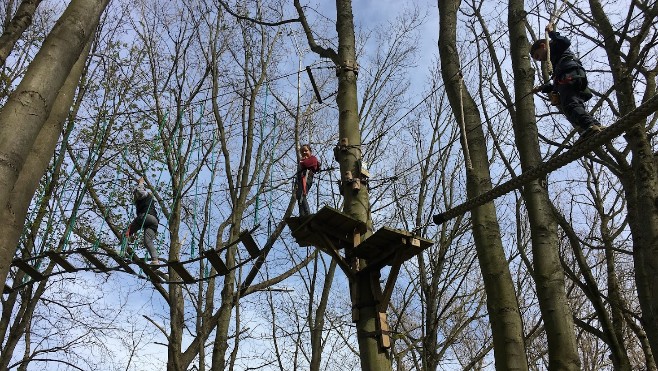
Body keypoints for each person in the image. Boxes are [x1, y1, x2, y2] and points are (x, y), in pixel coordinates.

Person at [530, 23, 602, 138]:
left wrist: (552, 33)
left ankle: (590, 126)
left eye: (538, 56)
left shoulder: (555, 46)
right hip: (570, 77)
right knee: (573, 106)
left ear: (543, 46)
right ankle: (595, 125)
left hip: (570, 75)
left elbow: (565, 42)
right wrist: (541, 88)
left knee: (570, 105)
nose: (540, 60)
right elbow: (556, 83)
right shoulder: (555, 61)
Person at [125, 177, 160, 264]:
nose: (135, 196)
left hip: (145, 217)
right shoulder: (149, 199)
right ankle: (155, 260)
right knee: (147, 241)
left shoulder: (144, 195)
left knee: (126, 232)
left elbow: (140, 191)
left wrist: (140, 183)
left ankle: (122, 251)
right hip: (154, 221)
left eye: (135, 194)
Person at [294, 144, 320, 216]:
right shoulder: (303, 160)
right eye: (302, 152)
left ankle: (307, 214)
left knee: (301, 194)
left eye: (306, 151)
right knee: (299, 197)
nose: (304, 152)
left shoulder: (313, 158)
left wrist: (303, 161)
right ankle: (302, 215)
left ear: (310, 151)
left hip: (306, 177)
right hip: (301, 179)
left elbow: (308, 164)